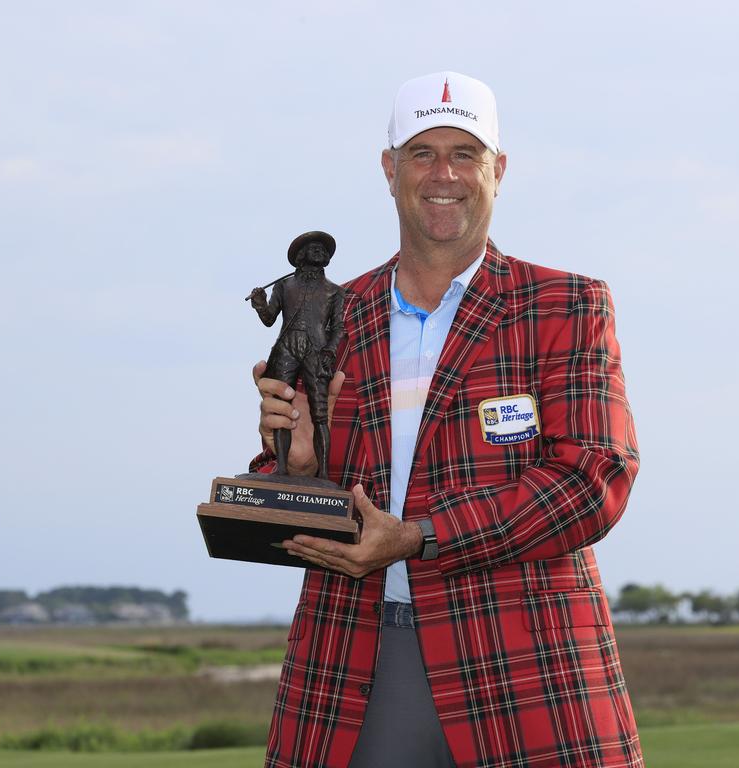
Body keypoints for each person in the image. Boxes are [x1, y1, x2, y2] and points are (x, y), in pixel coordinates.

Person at [251, 71, 644, 767]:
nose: (444, 174)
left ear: (498, 169)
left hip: (529, 666)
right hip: (357, 663)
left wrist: (421, 538)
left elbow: (593, 480)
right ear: (389, 168)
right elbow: (283, 492)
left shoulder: (564, 305)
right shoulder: (337, 312)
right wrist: (297, 466)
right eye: (422, 153)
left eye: (465, 153)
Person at [249, 232, 345, 481]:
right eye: (314, 248)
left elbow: (338, 329)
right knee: (281, 410)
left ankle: (323, 473)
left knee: (320, 412)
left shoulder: (335, 292)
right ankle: (281, 467)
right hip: (287, 347)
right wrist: (260, 302)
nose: (320, 252)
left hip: (316, 350)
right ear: (301, 256)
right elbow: (270, 319)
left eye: (323, 250)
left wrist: (329, 351)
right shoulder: (284, 286)